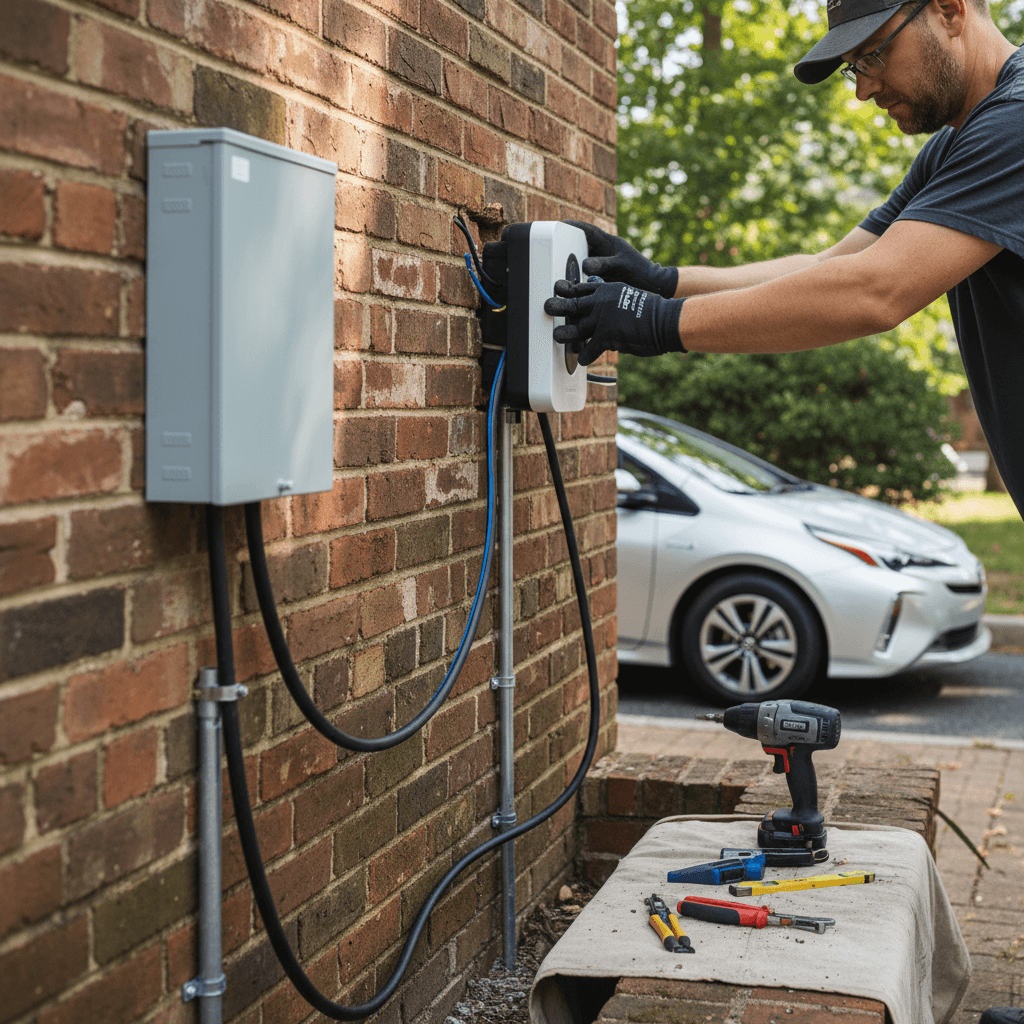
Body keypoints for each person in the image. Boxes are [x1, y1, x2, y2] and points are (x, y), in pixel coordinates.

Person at [544, 0, 1024, 521]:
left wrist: (657, 322)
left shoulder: (1015, 121)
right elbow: (830, 265)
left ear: (950, 11)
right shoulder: (955, 148)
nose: (864, 89)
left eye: (874, 55)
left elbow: (875, 291)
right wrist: (665, 284)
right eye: (854, 69)